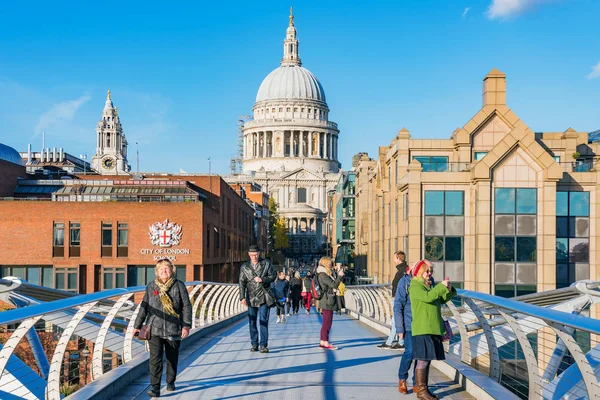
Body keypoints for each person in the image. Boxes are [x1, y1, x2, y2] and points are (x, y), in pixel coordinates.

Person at [134, 259, 192, 397]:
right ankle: (155, 388)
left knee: (172, 358)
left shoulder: (179, 285)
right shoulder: (151, 287)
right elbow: (144, 307)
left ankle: (170, 381)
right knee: (155, 359)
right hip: (155, 329)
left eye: (167, 269)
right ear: (157, 272)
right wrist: (137, 326)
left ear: (172, 270)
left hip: (173, 328)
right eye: (161, 269)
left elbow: (187, 306)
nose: (164, 271)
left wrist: (186, 325)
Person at [409, 259, 456, 400]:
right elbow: (427, 297)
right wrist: (440, 287)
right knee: (423, 359)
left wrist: (449, 289)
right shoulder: (415, 285)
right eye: (427, 271)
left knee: (427, 359)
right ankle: (421, 391)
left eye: (431, 271)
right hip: (423, 328)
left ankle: (424, 390)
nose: (429, 274)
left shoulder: (427, 285)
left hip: (431, 327)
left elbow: (438, 299)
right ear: (419, 272)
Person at [239, 245, 276, 353]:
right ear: (248, 255)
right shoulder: (245, 267)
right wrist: (241, 297)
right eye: (251, 255)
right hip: (251, 296)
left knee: (263, 320)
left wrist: (263, 279)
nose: (254, 257)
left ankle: (263, 345)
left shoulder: (266, 263)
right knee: (252, 321)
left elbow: (273, 276)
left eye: (255, 255)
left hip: (264, 295)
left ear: (259, 254)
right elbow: (242, 282)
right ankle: (254, 344)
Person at [394, 259, 418, 394]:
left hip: (423, 324)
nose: (428, 273)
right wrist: (399, 328)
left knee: (421, 355)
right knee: (410, 352)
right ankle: (402, 378)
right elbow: (398, 306)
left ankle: (418, 382)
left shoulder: (428, 282)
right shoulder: (405, 282)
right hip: (409, 324)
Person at [378, 251, 407, 350]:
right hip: (398, 297)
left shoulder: (402, 271)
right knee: (396, 320)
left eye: (395, 258)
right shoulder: (402, 270)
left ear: (399, 259)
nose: (394, 260)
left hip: (399, 298)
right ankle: (397, 341)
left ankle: (393, 342)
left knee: (396, 320)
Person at [316, 256, 344, 350]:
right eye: (330, 263)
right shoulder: (323, 275)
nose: (331, 265)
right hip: (327, 301)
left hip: (327, 300)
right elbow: (333, 285)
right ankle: (325, 341)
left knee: (326, 322)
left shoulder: (323, 274)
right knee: (327, 323)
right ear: (326, 264)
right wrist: (340, 276)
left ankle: (323, 341)